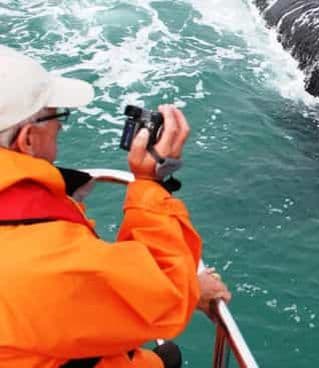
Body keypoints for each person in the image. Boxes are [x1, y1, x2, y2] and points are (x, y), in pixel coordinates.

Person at [0, 45, 231, 367]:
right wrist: (150, 182)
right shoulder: (36, 257)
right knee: (169, 355)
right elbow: (163, 297)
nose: (61, 126)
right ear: (26, 139)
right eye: (56, 115)